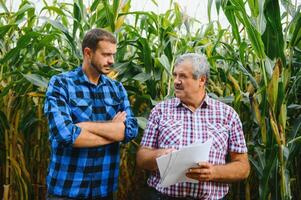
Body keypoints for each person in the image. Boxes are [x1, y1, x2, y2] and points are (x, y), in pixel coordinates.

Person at [136, 53, 250, 200]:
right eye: (175, 75)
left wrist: (213, 172)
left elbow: (243, 167)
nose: (176, 81)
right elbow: (141, 157)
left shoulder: (227, 115)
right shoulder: (160, 111)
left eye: (183, 76)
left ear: (201, 80)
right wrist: (160, 155)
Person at [44, 28, 138, 200]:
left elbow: (130, 130)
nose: (112, 61)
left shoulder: (116, 89)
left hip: (104, 189)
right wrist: (114, 130)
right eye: (106, 55)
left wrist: (84, 127)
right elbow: (66, 135)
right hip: (67, 189)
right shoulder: (61, 84)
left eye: (113, 55)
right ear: (88, 53)